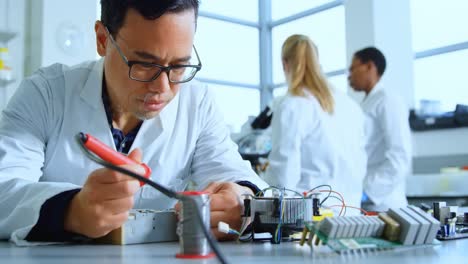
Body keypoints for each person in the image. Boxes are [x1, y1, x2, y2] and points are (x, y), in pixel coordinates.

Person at [0, 0, 267, 244]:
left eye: (178, 66)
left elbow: (241, 180)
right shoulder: (46, 93)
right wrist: (71, 211)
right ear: (103, 39)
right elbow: (4, 188)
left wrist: (241, 202)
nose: (162, 87)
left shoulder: (197, 103)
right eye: (143, 64)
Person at [263, 34, 367, 214]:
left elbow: (283, 176)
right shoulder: (349, 105)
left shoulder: (293, 104)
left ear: (284, 64)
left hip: (311, 220)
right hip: (351, 215)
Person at [348, 47, 412, 211]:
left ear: (369, 66)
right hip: (367, 202)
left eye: (353, 68)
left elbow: (400, 156)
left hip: (386, 203)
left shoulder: (388, 100)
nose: (349, 76)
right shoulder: (367, 103)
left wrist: (368, 191)